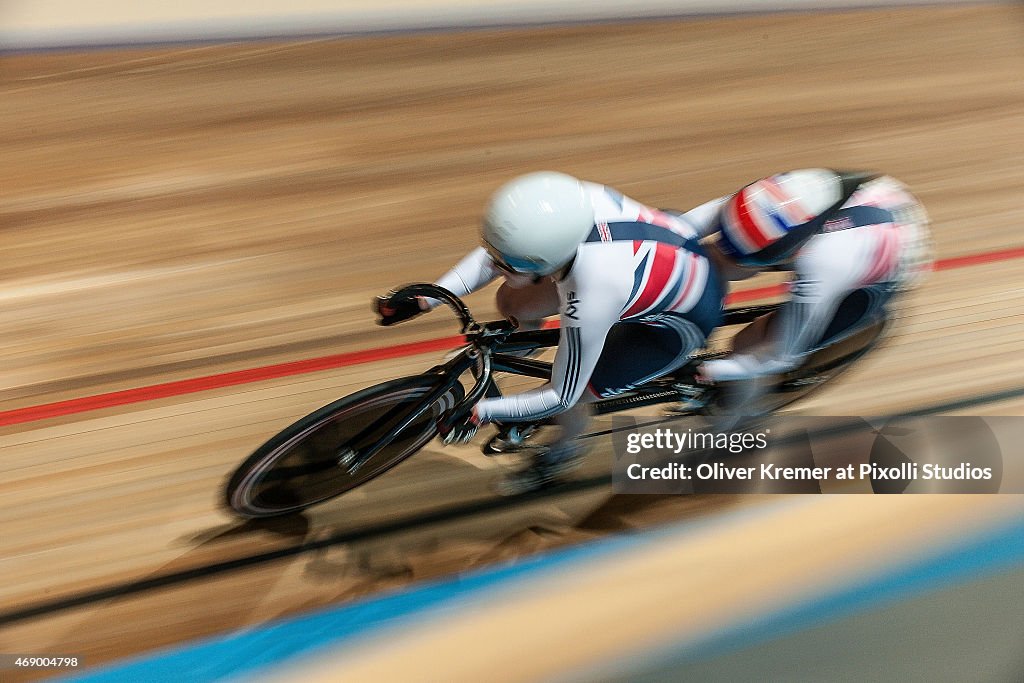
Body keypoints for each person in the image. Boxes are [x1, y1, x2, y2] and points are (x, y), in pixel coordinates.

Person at [375, 171, 724, 493]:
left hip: (675, 326)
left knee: (577, 397)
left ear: (547, 262)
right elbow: (503, 252)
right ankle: (526, 347)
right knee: (514, 301)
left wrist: (482, 412)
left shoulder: (592, 294)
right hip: (650, 255)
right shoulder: (563, 206)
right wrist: (427, 299)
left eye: (506, 263)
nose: (492, 265)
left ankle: (567, 448)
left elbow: (562, 395)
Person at [689, 168, 933, 415]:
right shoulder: (771, 196)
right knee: (717, 259)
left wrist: (714, 371)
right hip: (864, 209)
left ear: (794, 252)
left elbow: (782, 355)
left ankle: (734, 420)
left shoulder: (826, 263)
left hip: (883, 270)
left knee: (747, 344)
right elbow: (698, 222)